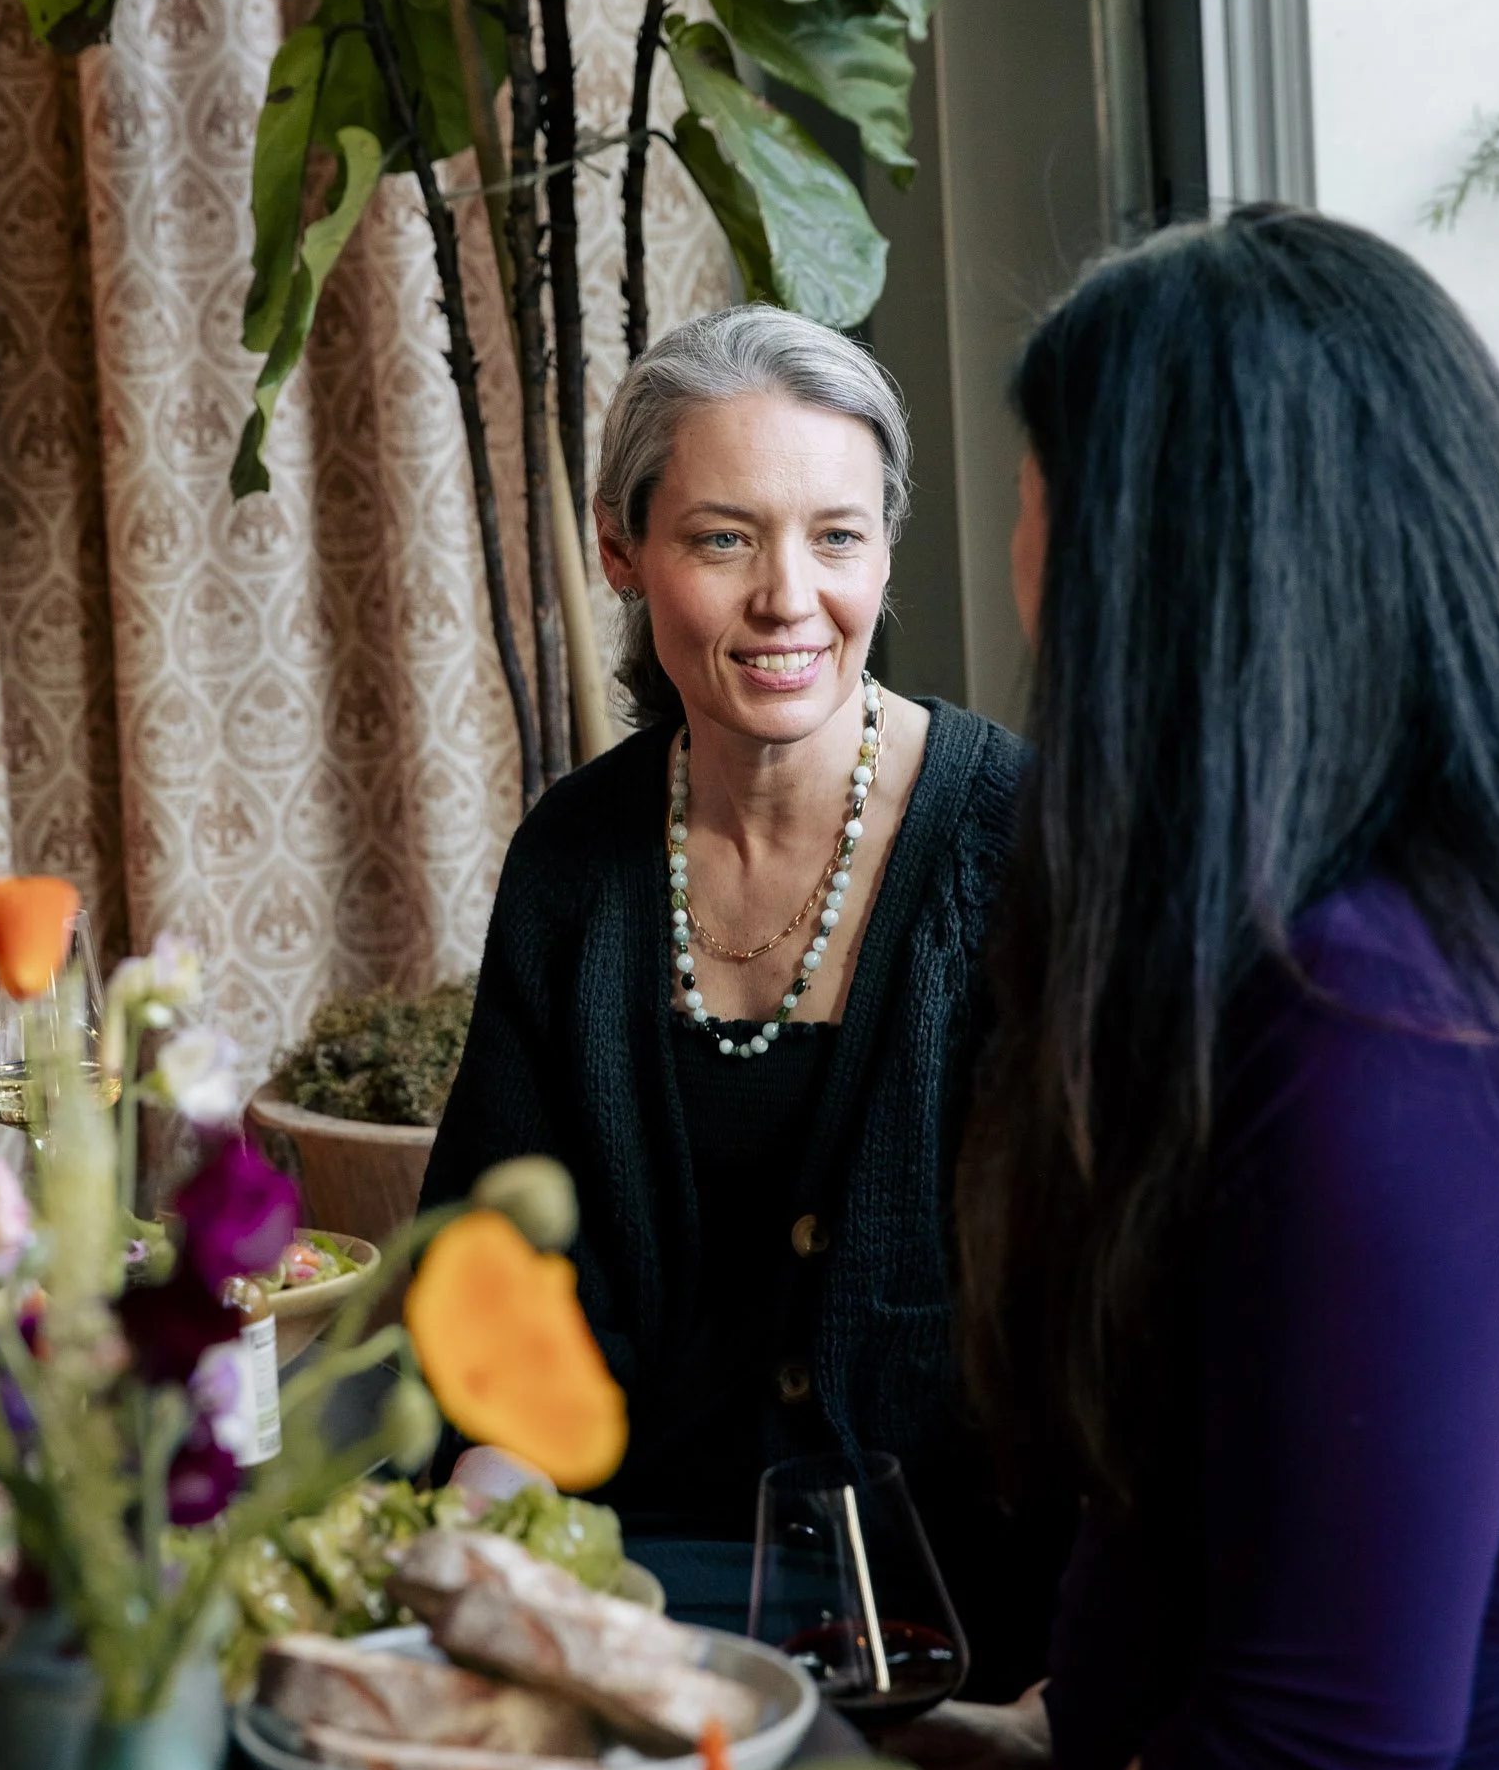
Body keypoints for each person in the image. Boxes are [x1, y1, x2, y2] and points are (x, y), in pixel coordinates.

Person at [908, 209, 1499, 1770]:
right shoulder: (1404, 930)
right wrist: (1046, 1732)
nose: (1018, 562)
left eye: (1035, 497)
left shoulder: (1393, 1035)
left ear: (1165, 568)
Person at [422, 307, 1063, 1694]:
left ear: (884, 550)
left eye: (837, 536)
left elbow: (1099, 1309)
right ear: (621, 549)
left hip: (944, 1602)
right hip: (623, 1573)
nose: (789, 596)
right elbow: (504, 1288)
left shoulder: (1018, 840)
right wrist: (465, 1563)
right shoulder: (576, 861)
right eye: (724, 538)